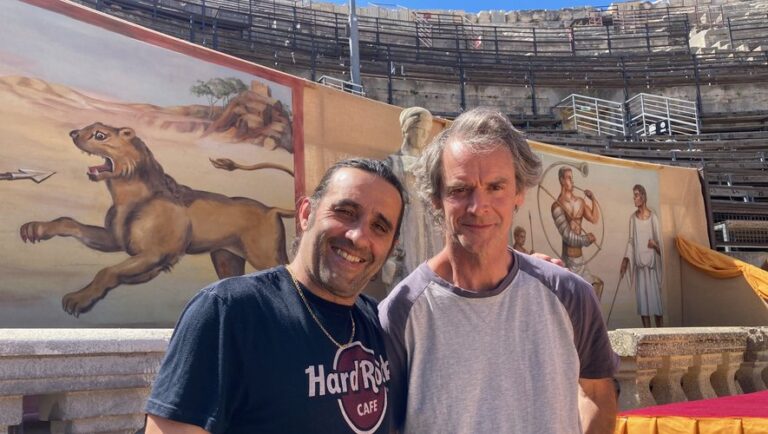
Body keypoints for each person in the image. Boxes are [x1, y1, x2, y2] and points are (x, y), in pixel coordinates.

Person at [380, 108, 618, 434]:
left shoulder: (570, 295)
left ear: (519, 192)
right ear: (436, 197)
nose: (479, 207)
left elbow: (597, 394)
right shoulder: (400, 311)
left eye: (495, 187)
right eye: (460, 189)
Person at [144, 158, 406, 434]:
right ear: (306, 214)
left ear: (391, 248)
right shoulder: (229, 312)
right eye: (345, 212)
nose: (358, 237)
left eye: (380, 227)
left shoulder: (376, 322)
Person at [382, 107, 443, 286]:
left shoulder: (430, 165)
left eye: (426, 132)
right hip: (407, 224)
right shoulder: (393, 163)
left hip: (430, 224)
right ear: (407, 129)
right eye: (419, 129)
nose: (423, 136)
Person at [551, 166, 605, 300]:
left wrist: (593, 199)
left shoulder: (580, 201)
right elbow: (567, 235)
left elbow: (594, 218)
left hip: (580, 260)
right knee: (576, 299)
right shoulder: (557, 206)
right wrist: (585, 240)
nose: (572, 181)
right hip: (569, 261)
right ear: (562, 180)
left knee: (597, 287)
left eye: (572, 178)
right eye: (569, 178)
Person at [620, 184, 664, 328]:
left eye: (637, 195)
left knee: (656, 307)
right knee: (644, 307)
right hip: (639, 269)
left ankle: (661, 335)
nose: (634, 198)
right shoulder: (633, 219)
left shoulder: (653, 218)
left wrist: (655, 245)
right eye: (634, 195)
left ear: (643, 197)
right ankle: (646, 335)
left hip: (651, 269)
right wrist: (625, 260)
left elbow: (661, 248)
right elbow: (631, 242)